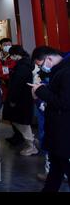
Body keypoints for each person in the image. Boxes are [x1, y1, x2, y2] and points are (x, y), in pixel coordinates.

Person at [30, 46, 70, 192]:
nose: (41, 68)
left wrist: (41, 91)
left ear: (49, 58)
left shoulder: (66, 72)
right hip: (57, 132)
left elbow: (64, 102)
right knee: (56, 169)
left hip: (64, 131)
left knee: (61, 166)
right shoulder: (59, 70)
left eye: (40, 65)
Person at [7, 45, 38, 156]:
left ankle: (31, 145)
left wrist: (13, 99)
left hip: (20, 100)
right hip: (25, 98)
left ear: (15, 54)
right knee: (22, 122)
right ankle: (32, 141)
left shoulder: (22, 66)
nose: (11, 57)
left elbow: (17, 85)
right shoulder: (26, 64)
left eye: (11, 55)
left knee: (21, 122)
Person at [0, 38, 21, 145]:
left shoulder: (15, 57)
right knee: (9, 114)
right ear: (1, 46)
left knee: (17, 113)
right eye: (5, 44)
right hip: (4, 89)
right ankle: (16, 134)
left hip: (14, 87)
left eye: (9, 44)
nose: (7, 46)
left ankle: (20, 135)